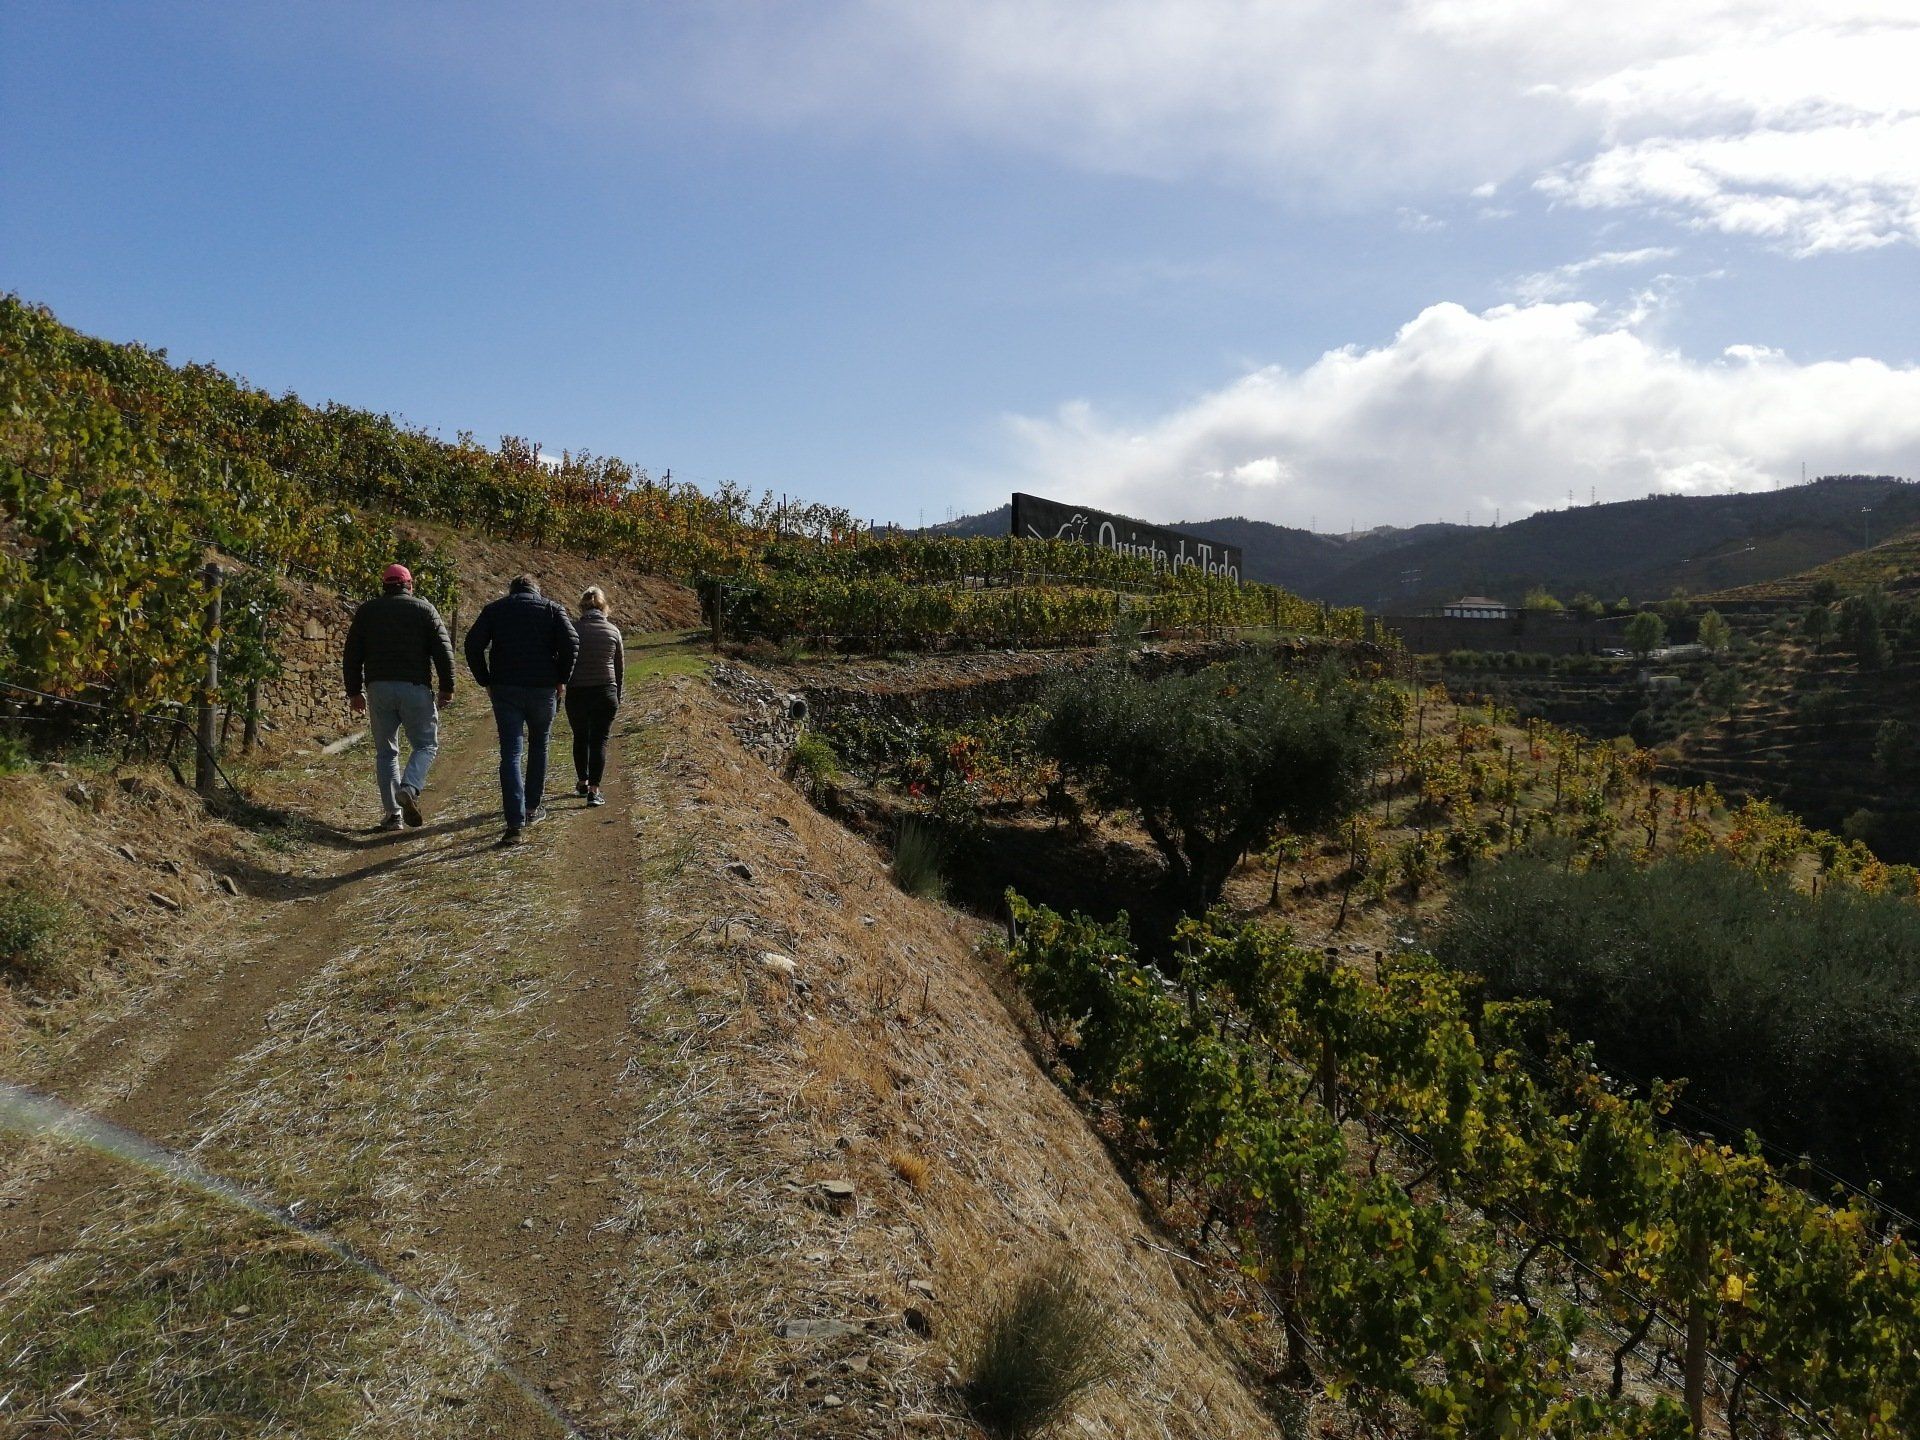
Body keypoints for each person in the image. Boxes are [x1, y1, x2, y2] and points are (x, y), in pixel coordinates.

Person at [463, 574, 578, 845]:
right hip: (542, 688)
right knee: (540, 745)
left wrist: (486, 680)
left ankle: (514, 823)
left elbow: (472, 644)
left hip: (505, 688)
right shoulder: (552, 609)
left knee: (511, 753)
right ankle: (531, 808)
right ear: (537, 590)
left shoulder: (495, 610)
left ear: (511, 590)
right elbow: (572, 643)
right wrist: (562, 679)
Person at [341, 563, 455, 831]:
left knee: (386, 752)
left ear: (384, 586)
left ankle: (394, 815)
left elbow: (352, 654)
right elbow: (443, 650)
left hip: (379, 688)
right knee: (426, 745)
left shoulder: (367, 612)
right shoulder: (424, 610)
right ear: (409, 585)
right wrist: (447, 687)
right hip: (415, 687)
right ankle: (411, 787)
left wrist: (354, 691)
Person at [566, 587, 624, 807]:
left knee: (580, 737)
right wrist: (617, 694)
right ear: (603, 607)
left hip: (577, 691)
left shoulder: (572, 630)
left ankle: (582, 781)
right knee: (599, 740)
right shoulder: (613, 630)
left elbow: (565, 662)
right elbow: (619, 667)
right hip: (605, 691)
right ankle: (594, 791)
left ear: (582, 607)